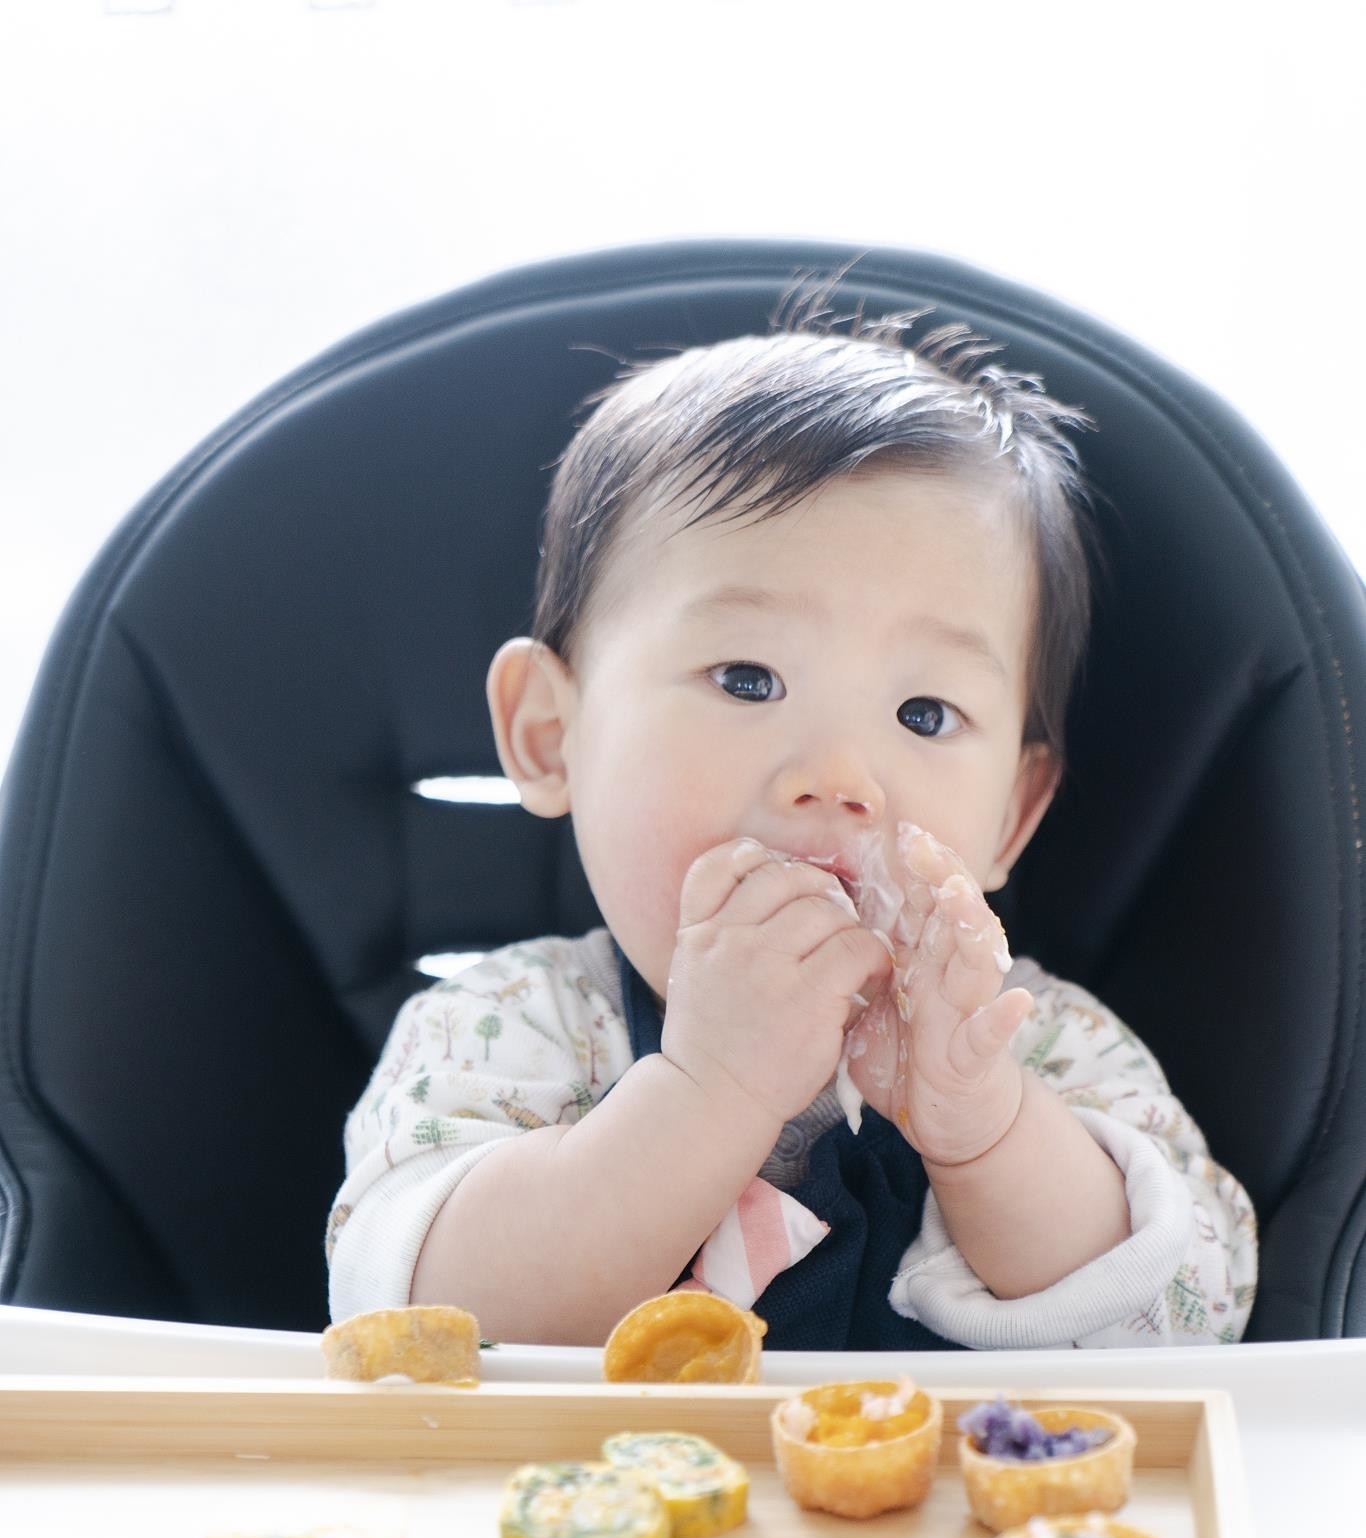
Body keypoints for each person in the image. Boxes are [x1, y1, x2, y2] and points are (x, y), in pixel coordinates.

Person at [325, 319, 1258, 1350]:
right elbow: (422, 1327)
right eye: (746, 679)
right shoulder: (510, 1029)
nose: (837, 779)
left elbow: (1185, 1321)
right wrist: (705, 1096)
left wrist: (989, 1134)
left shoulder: (1034, 1044)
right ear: (552, 736)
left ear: (1010, 817)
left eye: (922, 715)